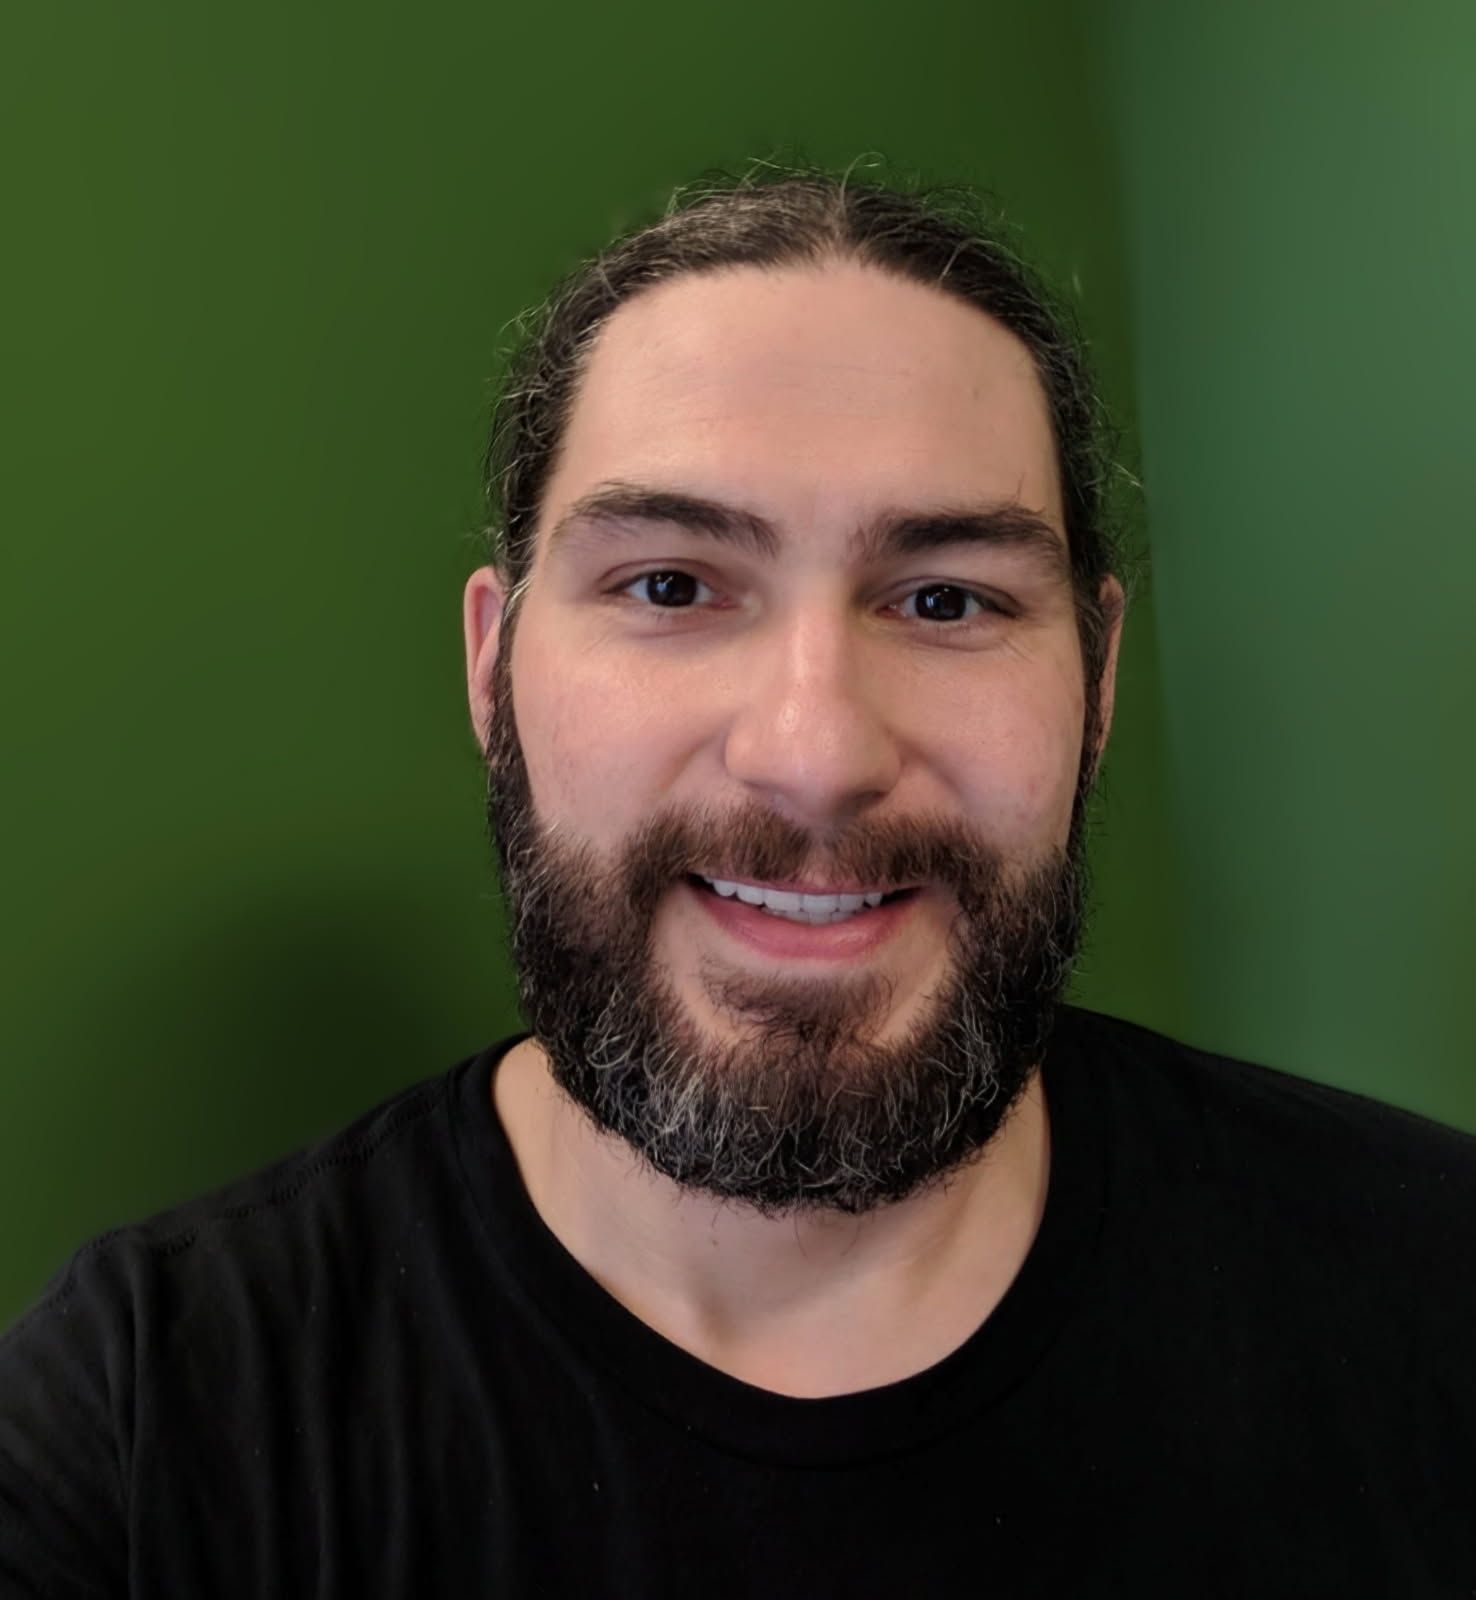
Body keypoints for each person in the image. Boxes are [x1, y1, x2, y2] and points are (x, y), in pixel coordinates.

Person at [1, 166, 1472, 1598]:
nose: (816, 755)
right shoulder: (141, 1428)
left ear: (1096, 686)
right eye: (670, 587)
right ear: (491, 667)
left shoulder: (1431, 1297)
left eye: (948, 599)